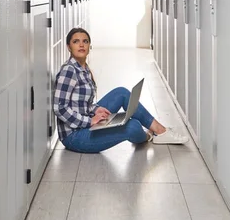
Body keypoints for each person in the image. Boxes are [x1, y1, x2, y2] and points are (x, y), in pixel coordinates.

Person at [53, 27, 189, 153]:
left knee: (121, 93)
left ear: (89, 46)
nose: (81, 45)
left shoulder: (83, 68)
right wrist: (89, 121)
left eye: (85, 41)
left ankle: (159, 131)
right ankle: (148, 136)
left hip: (85, 120)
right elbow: (59, 108)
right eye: (76, 41)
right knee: (133, 126)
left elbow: (81, 104)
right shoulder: (69, 70)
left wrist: (95, 110)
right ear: (69, 47)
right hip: (75, 136)